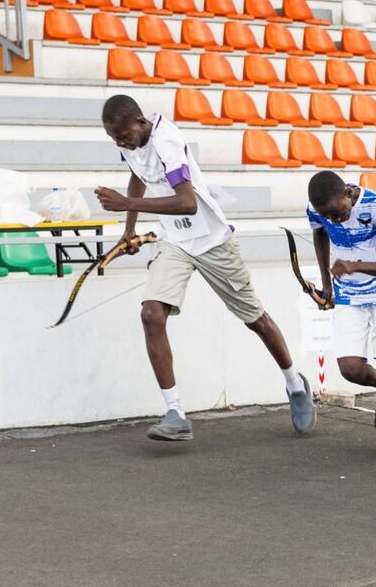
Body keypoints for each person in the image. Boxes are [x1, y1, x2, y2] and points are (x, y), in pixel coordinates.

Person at [96, 94, 314, 441]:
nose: (120, 143)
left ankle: (294, 383)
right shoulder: (131, 141)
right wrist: (129, 227)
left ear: (139, 123)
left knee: (256, 320)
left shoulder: (166, 141)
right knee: (152, 314)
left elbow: (187, 202)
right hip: (175, 242)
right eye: (114, 139)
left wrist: (127, 203)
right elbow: (137, 174)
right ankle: (175, 413)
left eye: (123, 136)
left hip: (212, 240)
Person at [306, 171, 376, 460]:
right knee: (350, 369)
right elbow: (319, 235)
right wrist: (327, 286)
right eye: (327, 215)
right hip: (348, 295)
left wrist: (355, 265)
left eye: (337, 213)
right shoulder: (317, 209)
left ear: (347, 193)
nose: (334, 220)